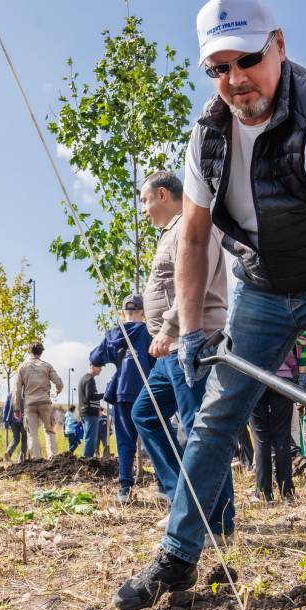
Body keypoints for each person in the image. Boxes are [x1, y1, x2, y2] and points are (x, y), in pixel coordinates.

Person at [113, 0, 306, 610]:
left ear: (279, 45)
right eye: (219, 66)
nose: (237, 79)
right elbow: (195, 237)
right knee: (214, 416)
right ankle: (178, 555)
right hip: (262, 289)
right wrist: (185, 329)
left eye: (248, 59)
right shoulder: (205, 134)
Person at [130, 170, 235, 536]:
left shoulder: (191, 228)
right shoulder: (170, 234)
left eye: (144, 201)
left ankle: (217, 520)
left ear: (162, 195)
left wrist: (169, 329)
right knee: (144, 413)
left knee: (200, 429)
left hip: (191, 342)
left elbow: (196, 282)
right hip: (169, 350)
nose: (142, 209)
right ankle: (180, 498)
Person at [90, 295, 154, 502]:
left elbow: (95, 358)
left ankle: (125, 488)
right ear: (143, 312)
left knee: (125, 441)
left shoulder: (113, 334)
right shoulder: (148, 331)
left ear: (122, 312)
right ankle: (165, 486)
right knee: (154, 438)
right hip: (147, 391)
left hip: (121, 392)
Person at [249, 349, 297, 502]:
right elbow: (293, 354)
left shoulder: (246, 325)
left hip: (254, 376)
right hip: (282, 379)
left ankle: (263, 492)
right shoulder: (284, 324)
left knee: (260, 438)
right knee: (282, 437)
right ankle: (287, 492)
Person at [12, 342, 64, 460]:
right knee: (49, 430)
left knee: (32, 434)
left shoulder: (22, 367)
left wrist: (16, 408)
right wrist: (57, 391)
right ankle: (52, 457)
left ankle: (36, 459)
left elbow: (17, 390)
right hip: (45, 402)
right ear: (41, 352)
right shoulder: (47, 366)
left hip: (29, 404)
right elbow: (59, 383)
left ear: (30, 351)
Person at [77, 365, 104, 457]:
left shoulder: (84, 378)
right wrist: (105, 394)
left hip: (86, 412)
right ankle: (87, 459)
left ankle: (86, 458)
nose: (101, 369)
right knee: (91, 438)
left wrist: (98, 408)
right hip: (90, 413)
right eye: (99, 367)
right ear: (92, 367)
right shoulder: (89, 379)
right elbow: (90, 396)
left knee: (88, 437)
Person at [2, 392, 27, 462]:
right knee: (25, 439)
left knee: (15, 439)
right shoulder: (25, 393)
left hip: (12, 420)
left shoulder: (10, 394)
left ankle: (8, 452)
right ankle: (22, 458)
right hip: (23, 420)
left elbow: (5, 408)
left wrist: (5, 420)